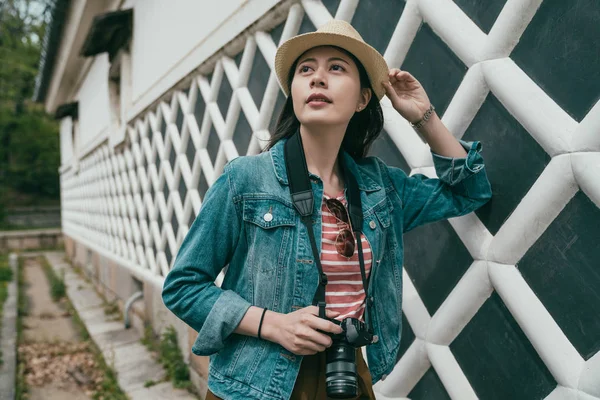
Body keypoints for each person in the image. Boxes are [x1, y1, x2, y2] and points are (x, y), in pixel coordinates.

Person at [162, 19, 491, 400]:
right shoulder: (246, 180)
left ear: (363, 98)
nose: (317, 78)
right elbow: (183, 287)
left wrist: (423, 117)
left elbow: (470, 192)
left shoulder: (379, 187)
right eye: (306, 70)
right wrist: (273, 324)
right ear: (295, 92)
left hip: (346, 373)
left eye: (336, 67)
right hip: (255, 382)